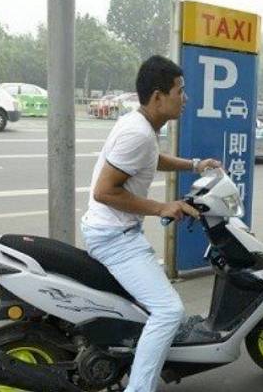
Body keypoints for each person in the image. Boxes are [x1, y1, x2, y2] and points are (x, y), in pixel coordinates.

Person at [80, 55, 221, 392]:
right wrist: (162, 207)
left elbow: (150, 160)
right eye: (180, 91)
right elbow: (104, 191)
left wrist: (195, 165)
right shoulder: (138, 134)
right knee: (169, 311)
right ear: (158, 97)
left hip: (117, 232)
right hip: (114, 237)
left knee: (151, 309)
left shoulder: (140, 126)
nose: (184, 98)